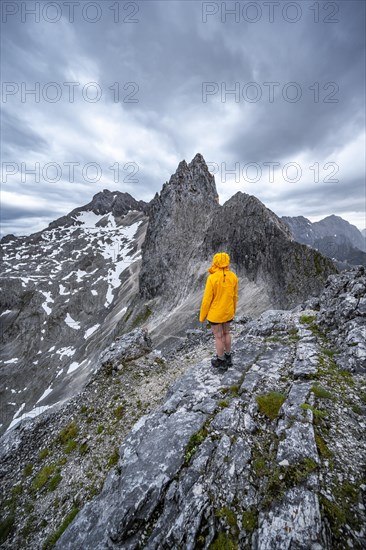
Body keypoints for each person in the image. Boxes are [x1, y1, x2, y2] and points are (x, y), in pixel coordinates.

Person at [199, 252, 238, 369]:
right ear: (227, 262)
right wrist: (233, 310)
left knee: (218, 336)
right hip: (228, 311)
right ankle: (228, 356)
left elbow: (207, 300)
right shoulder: (233, 277)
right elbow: (235, 297)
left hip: (215, 314)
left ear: (215, 262)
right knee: (227, 333)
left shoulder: (212, 278)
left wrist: (202, 316)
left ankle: (220, 360)